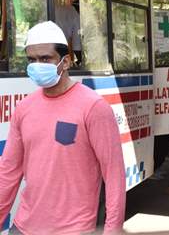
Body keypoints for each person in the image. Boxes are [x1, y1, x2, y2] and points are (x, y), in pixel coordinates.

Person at [0, 21, 125, 234]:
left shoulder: (94, 107)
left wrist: (112, 229)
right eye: (31, 59)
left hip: (73, 229)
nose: (37, 65)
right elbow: (8, 172)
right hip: (23, 227)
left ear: (65, 61)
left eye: (45, 58)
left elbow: (113, 175)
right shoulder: (24, 108)